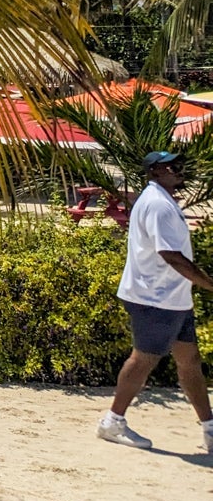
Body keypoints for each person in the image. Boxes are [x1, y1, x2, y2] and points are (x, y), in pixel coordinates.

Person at [97, 151, 213, 452]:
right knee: (143, 360)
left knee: (189, 361)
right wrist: (208, 284)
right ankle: (112, 422)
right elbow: (171, 255)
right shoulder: (158, 204)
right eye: (171, 166)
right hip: (154, 298)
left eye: (178, 164)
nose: (178, 169)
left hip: (172, 298)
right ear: (155, 171)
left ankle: (210, 428)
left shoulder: (162, 200)